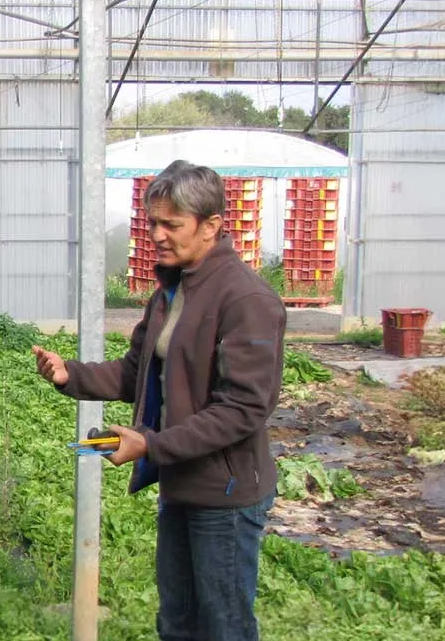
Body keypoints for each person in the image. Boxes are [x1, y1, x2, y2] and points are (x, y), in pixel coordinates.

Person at [35, 161, 286, 641]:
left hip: (225, 495)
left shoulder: (245, 299)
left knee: (224, 626)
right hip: (181, 484)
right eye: (152, 222)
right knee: (177, 621)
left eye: (172, 224)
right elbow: (137, 373)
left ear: (211, 225)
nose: (158, 234)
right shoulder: (172, 290)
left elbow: (243, 408)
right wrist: (72, 374)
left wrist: (153, 446)